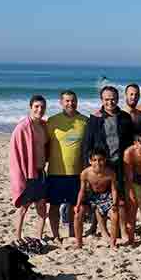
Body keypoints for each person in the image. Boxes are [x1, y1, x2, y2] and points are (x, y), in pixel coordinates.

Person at [45, 90, 88, 241]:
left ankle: (71, 232)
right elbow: (44, 143)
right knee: (55, 206)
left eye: (73, 100)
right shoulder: (52, 121)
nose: (71, 103)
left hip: (77, 172)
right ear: (61, 102)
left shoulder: (84, 121)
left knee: (73, 206)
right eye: (67, 101)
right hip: (56, 171)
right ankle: (56, 235)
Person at [9, 95, 49, 241]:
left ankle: (39, 237)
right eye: (36, 107)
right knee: (23, 208)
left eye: (42, 107)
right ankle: (17, 237)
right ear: (30, 107)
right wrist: (20, 175)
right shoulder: (22, 127)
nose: (40, 109)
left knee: (42, 207)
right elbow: (15, 154)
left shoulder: (44, 126)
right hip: (28, 173)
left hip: (41, 172)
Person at [82, 86, 134, 194]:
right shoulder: (94, 119)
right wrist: (87, 169)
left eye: (113, 99)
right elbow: (86, 145)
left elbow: (130, 143)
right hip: (100, 166)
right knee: (98, 201)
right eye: (106, 99)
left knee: (119, 200)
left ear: (118, 99)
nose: (110, 102)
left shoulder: (125, 117)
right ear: (102, 100)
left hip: (120, 165)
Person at [73, 148, 119, 248]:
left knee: (115, 214)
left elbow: (114, 190)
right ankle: (78, 243)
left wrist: (114, 204)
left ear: (105, 160)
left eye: (100, 160)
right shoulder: (85, 173)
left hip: (104, 196)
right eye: (94, 160)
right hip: (90, 196)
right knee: (77, 214)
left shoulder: (110, 173)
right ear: (90, 161)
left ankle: (112, 243)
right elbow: (82, 190)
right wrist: (78, 204)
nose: (98, 163)